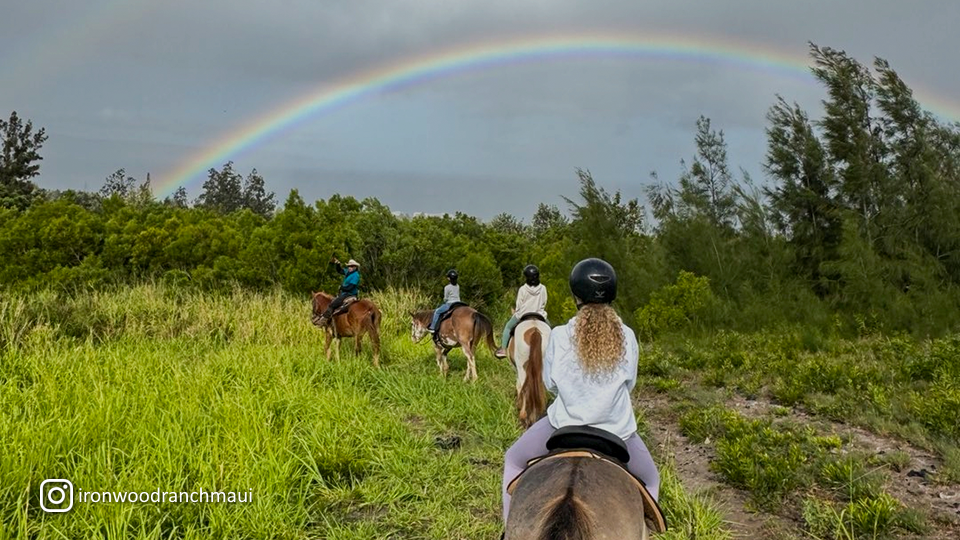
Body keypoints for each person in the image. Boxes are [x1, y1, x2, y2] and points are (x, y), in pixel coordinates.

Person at [500, 258, 660, 523]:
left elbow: (550, 384)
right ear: (611, 295)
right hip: (618, 433)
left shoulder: (560, 334)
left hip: (563, 427)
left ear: (576, 296)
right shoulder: (628, 335)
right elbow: (630, 383)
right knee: (651, 479)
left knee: (513, 460)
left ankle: (508, 529)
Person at [495, 264, 548, 359]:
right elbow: (544, 302)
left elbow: (519, 305)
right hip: (539, 314)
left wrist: (516, 312)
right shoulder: (543, 288)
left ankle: (503, 350)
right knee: (550, 330)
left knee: (508, 327)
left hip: (523, 314)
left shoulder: (523, 289)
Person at [315, 257, 361, 327]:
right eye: (349, 266)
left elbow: (350, 287)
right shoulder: (348, 272)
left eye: (351, 266)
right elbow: (340, 270)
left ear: (355, 267)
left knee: (332, 305)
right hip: (345, 293)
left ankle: (323, 321)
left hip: (349, 294)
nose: (349, 267)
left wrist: (342, 287)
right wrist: (337, 264)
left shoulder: (355, 275)